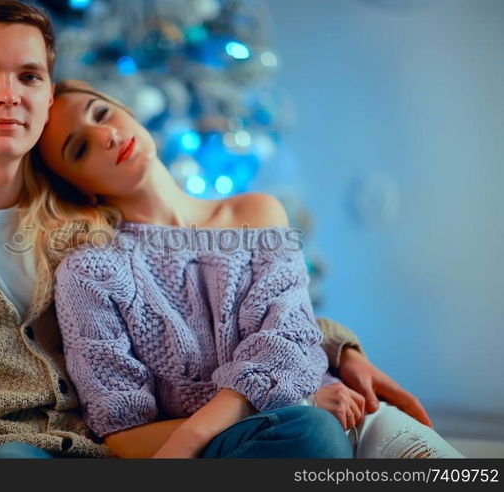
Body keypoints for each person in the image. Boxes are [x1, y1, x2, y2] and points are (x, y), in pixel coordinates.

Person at [0, 0, 427, 459]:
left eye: (27, 76)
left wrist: (333, 346)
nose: (7, 94)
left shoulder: (78, 215)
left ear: (48, 93)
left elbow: (205, 305)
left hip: (95, 447)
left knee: (309, 436)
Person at [33, 80, 464, 458]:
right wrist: (284, 409)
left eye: (103, 113)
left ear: (128, 112)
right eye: (81, 147)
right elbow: (123, 435)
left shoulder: (256, 211)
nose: (106, 134)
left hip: (349, 408)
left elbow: (289, 338)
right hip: (281, 437)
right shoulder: (89, 272)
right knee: (309, 437)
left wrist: (197, 432)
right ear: (78, 188)